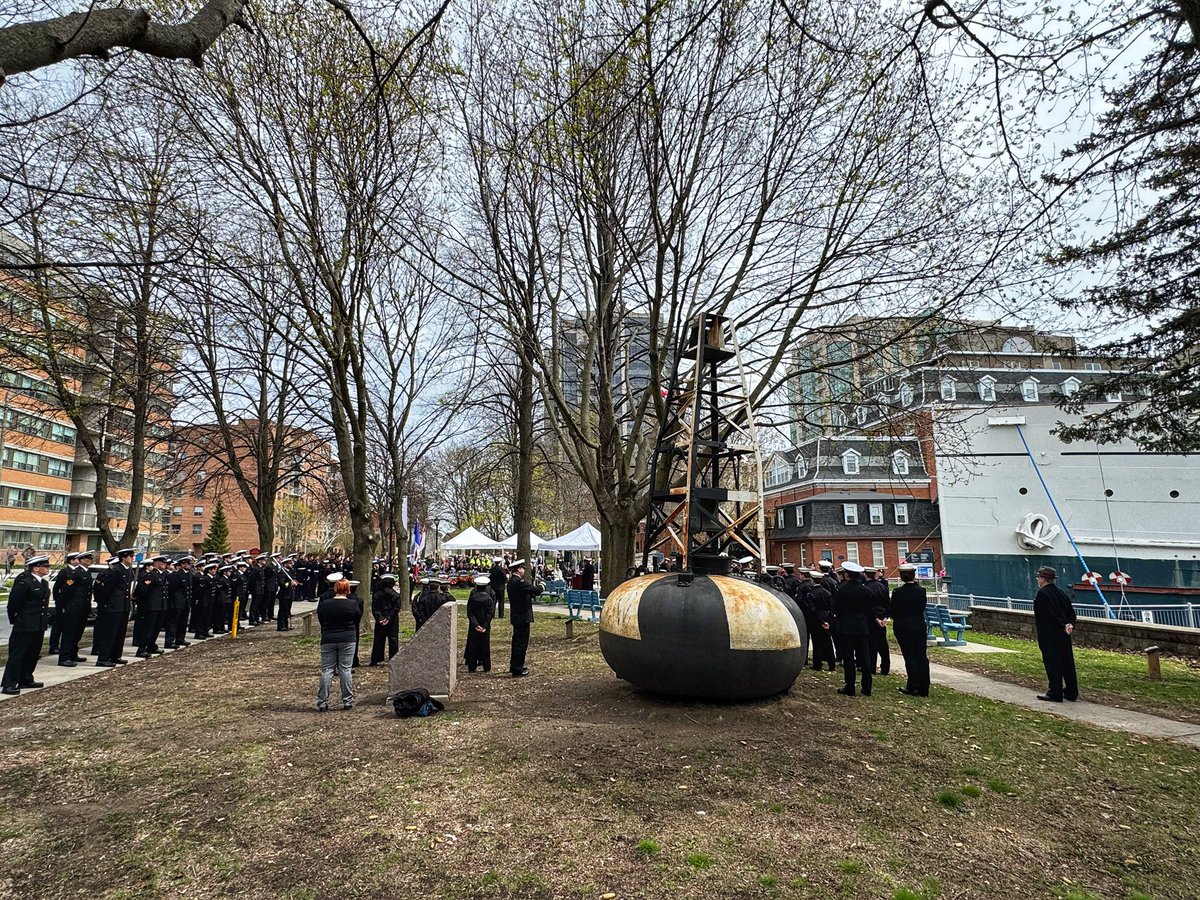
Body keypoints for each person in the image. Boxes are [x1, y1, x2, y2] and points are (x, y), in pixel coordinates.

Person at [2, 555, 52, 695]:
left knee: (33, 653)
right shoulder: (25, 583)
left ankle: (26, 678)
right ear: (36, 568)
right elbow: (13, 605)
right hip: (25, 624)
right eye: (45, 566)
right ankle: (9, 683)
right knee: (18, 654)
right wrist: (17, 620)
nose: (48, 568)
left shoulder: (43, 583)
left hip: (38, 624)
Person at [1033, 565, 1079, 702]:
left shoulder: (1042, 594)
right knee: (1067, 664)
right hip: (1064, 635)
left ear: (1043, 579)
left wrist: (1062, 625)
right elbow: (1071, 613)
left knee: (1053, 664)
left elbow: (1048, 615)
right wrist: (1069, 624)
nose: (1038, 580)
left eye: (1039, 577)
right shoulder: (1062, 593)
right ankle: (1071, 691)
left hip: (1049, 635)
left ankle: (1055, 692)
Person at [833, 562, 879, 697]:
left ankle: (850, 686)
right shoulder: (866, 590)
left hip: (847, 628)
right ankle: (867, 687)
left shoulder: (842, 590)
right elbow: (870, 610)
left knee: (848, 658)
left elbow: (837, 609)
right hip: (862, 627)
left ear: (846, 575)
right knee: (865, 657)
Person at [316, 577, 358, 711]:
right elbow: (357, 619)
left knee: (327, 670)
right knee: (345, 669)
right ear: (348, 589)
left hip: (328, 637)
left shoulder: (326, 604)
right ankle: (347, 701)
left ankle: (322, 701)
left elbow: (321, 618)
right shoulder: (352, 604)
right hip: (347, 638)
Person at [890, 563, 930, 697]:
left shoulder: (897, 592)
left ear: (901, 576)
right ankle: (924, 687)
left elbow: (893, 610)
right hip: (918, 625)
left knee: (910, 656)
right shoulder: (921, 591)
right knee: (921, 656)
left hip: (903, 626)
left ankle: (913, 685)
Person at [54, 551, 93, 666]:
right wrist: (63, 606)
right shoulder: (75, 573)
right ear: (80, 560)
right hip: (73, 607)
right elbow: (66, 592)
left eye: (90, 558)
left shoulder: (87, 572)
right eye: (86, 558)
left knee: (78, 633)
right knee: (69, 633)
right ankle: (64, 657)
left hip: (83, 608)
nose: (89, 560)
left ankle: (73, 654)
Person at [506, 559, 542, 677]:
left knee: (517, 642)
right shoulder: (519, 582)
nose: (524, 570)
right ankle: (518, 668)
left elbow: (524, 594)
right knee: (521, 643)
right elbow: (536, 590)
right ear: (518, 569)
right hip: (522, 616)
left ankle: (515, 665)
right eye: (523, 568)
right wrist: (542, 586)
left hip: (517, 616)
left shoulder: (512, 582)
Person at [864, 566, 891, 675]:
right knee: (883, 645)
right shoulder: (883, 587)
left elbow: (868, 606)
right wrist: (885, 618)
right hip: (882, 619)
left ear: (865, 575)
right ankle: (885, 668)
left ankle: (871, 668)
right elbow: (888, 604)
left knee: (871, 645)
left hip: (871, 620)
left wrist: (875, 618)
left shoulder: (865, 588)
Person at [465, 574, 494, 673]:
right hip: (485, 626)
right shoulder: (489, 599)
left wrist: (475, 624)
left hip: (474, 626)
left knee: (473, 646)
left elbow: (470, 613)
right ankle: (486, 666)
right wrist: (484, 625)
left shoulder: (473, 598)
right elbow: (490, 613)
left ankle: (472, 666)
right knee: (485, 646)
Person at [369, 574, 401, 665]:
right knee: (393, 639)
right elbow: (396, 608)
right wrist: (389, 617)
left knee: (378, 639)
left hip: (380, 619)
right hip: (392, 619)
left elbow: (375, 608)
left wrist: (380, 617)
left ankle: (376, 659)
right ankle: (394, 658)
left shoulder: (377, 594)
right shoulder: (396, 595)